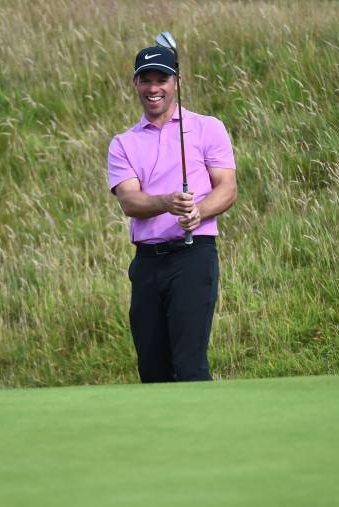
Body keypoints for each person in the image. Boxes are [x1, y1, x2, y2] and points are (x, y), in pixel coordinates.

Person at [106, 45, 237, 383]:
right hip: (147, 263)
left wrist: (199, 211)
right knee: (152, 370)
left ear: (177, 81)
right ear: (135, 84)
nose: (154, 88)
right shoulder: (123, 143)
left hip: (193, 257)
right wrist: (166, 202)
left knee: (190, 365)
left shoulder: (208, 128)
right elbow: (129, 202)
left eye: (161, 79)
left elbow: (227, 188)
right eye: (145, 80)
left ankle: (207, 434)